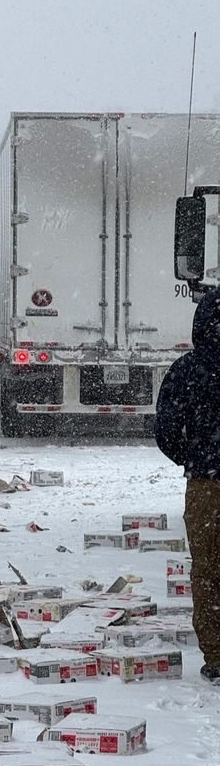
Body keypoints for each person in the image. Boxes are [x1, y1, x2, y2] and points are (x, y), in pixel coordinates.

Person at [155, 287, 220, 683]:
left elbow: (164, 429)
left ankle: (215, 655)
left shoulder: (186, 368)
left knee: (207, 571)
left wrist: (192, 458)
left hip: (205, 486)